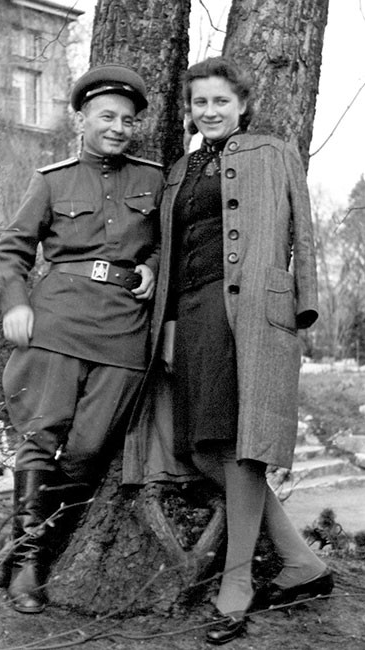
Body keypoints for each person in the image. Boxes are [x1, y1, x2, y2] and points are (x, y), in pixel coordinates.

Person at [123, 56, 333, 645]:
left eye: (220, 101)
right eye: (200, 102)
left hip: (251, 315)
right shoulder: (180, 169)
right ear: (189, 111)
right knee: (201, 449)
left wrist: (302, 306)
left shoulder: (274, 153)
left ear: (242, 104)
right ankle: (302, 562)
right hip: (189, 316)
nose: (209, 111)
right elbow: (172, 247)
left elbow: (304, 232)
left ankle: (236, 584)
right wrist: (166, 319)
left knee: (240, 444)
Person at [0, 63, 163, 614]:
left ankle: (22, 550)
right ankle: (28, 563)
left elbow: (171, 241)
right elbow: (11, 252)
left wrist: (154, 266)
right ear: (81, 119)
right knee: (41, 437)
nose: (118, 128)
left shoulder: (156, 179)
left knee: (89, 450)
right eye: (106, 116)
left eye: (127, 120)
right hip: (57, 322)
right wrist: (16, 303)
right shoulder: (52, 180)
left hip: (124, 331)